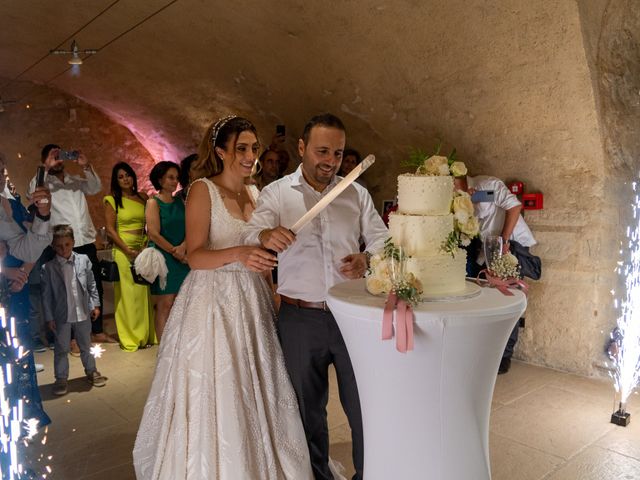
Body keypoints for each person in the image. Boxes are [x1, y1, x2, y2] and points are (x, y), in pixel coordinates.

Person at [133, 116, 315, 479]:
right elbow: (196, 255)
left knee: (257, 385)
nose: (250, 156)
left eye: (254, 148)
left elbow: (257, 248)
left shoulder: (254, 193)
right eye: (241, 149)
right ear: (220, 151)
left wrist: (268, 261)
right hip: (212, 301)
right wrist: (239, 254)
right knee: (221, 388)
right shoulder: (203, 189)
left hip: (252, 299)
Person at [243, 113, 388, 480]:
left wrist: (368, 259)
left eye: (337, 154)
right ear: (302, 147)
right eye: (322, 151)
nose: (330, 161)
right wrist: (265, 237)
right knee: (306, 411)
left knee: (363, 407)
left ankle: (367, 475)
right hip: (299, 318)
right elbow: (250, 233)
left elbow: (383, 241)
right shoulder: (276, 193)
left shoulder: (356, 193)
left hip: (351, 315)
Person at [27, 144, 115, 344]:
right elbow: (31, 194)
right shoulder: (42, 182)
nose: (58, 159)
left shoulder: (74, 180)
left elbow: (95, 187)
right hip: (62, 245)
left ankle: (98, 330)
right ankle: (72, 338)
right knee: (67, 293)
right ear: (45, 160)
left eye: (60, 155)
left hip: (85, 240)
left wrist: (86, 165)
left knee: (94, 287)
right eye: (53, 156)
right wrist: (45, 168)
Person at [454, 174, 537, 374]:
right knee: (490, 301)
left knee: (509, 298)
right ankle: (488, 352)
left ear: (460, 175)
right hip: (486, 250)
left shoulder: (488, 185)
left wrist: (504, 242)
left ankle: (505, 356)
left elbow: (514, 207)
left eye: (452, 181)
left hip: (510, 245)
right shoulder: (456, 199)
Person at [41, 225, 107, 396]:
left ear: (73, 243)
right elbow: (46, 295)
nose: (63, 249)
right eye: (59, 246)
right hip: (61, 315)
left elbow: (92, 284)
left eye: (67, 245)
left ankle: (91, 371)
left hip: (82, 312)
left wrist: (95, 304)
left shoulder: (83, 260)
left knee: (86, 344)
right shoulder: (48, 268)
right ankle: (61, 378)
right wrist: (49, 317)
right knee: (62, 348)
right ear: (53, 246)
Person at [104, 163, 155, 351]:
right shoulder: (112, 200)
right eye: (121, 176)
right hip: (122, 250)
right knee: (127, 295)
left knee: (142, 292)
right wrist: (126, 249)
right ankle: (131, 338)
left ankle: (145, 335)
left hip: (141, 248)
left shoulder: (143, 197)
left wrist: (145, 244)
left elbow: (151, 224)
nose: (125, 179)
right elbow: (110, 229)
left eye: (128, 175)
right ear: (116, 181)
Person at [145, 161, 190, 341]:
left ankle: (179, 343)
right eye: (171, 177)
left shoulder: (181, 201)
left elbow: (190, 227)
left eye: (177, 178)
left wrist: (184, 247)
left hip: (183, 256)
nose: (175, 181)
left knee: (182, 303)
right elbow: (154, 234)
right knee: (165, 304)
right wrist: (175, 251)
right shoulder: (153, 203)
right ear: (160, 179)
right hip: (165, 258)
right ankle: (164, 349)